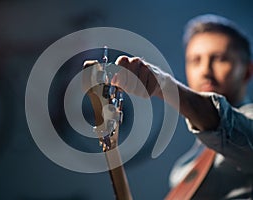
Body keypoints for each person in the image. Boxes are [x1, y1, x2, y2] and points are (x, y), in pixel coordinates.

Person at [85, 14, 253, 199]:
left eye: (220, 58)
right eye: (195, 60)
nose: (205, 70)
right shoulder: (185, 167)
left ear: (247, 71)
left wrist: (163, 85)